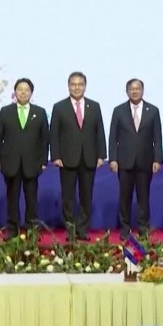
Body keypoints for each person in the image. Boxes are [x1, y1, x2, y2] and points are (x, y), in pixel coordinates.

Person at [50, 72, 107, 242]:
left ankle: (82, 230)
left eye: (80, 84)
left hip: (89, 158)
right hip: (67, 159)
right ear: (68, 86)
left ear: (85, 86)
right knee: (67, 198)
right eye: (73, 84)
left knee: (86, 196)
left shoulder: (94, 106)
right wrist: (56, 155)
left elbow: (99, 131)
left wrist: (101, 155)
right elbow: (54, 133)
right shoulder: (59, 107)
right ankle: (70, 230)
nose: (76, 87)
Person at [0, 78, 49, 238]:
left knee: (31, 199)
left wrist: (43, 161)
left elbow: (45, 139)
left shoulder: (40, 112)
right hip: (10, 162)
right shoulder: (5, 111)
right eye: (20, 89)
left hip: (33, 163)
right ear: (15, 92)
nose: (23, 93)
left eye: (26, 90)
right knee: (12, 198)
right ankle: (12, 229)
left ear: (31, 93)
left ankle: (31, 229)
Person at [108, 79, 163, 239]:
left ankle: (143, 228)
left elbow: (157, 137)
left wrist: (157, 159)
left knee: (143, 197)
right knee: (125, 197)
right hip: (124, 161)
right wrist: (113, 159)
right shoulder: (119, 110)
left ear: (142, 90)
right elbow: (113, 137)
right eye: (131, 89)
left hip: (145, 161)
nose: (135, 91)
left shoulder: (153, 110)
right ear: (127, 91)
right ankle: (125, 229)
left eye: (137, 88)